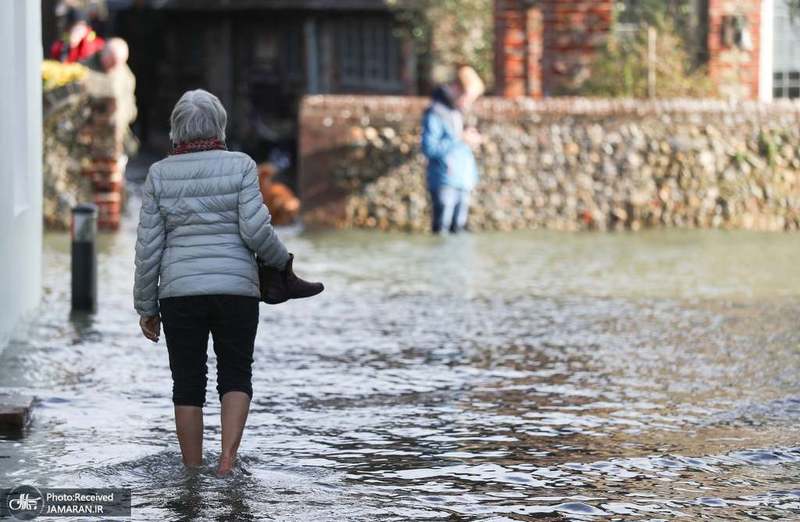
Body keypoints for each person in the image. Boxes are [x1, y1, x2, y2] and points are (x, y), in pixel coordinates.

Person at [133, 89, 321, 476]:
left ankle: (190, 472)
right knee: (236, 373)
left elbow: (148, 247)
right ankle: (227, 461)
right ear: (220, 125)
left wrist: (146, 307)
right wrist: (281, 263)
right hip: (236, 290)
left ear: (176, 129)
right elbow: (256, 230)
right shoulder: (241, 166)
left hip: (179, 293)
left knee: (187, 383)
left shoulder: (158, 175)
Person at [421, 65, 486, 234]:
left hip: (463, 180)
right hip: (445, 181)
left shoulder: (457, 112)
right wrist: (459, 139)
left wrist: (471, 140)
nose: (468, 103)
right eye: (467, 97)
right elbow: (429, 148)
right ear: (457, 88)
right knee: (442, 230)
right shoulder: (436, 112)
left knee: (460, 230)